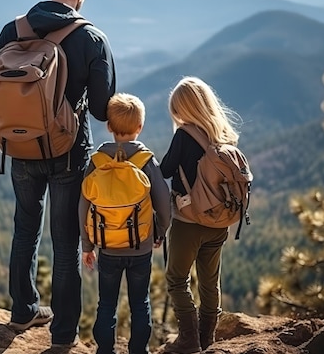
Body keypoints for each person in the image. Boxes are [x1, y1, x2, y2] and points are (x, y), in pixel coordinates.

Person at [0, 0, 116, 347]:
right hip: (68, 152)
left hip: (20, 147)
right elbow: (102, 109)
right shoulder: (91, 39)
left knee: (25, 229)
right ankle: (63, 335)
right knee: (65, 243)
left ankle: (22, 312)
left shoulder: (13, 31)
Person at [79, 93, 171, 354]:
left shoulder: (97, 161)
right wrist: (160, 232)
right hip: (140, 246)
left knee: (106, 303)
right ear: (139, 127)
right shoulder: (145, 161)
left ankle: (105, 350)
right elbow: (163, 204)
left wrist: (87, 245)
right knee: (140, 303)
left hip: (107, 247)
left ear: (109, 126)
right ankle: (138, 351)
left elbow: (83, 206)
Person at [159, 76, 241, 353]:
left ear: (184, 109)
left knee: (177, 279)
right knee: (210, 282)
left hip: (189, 222)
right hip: (220, 222)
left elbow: (166, 170)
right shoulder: (224, 135)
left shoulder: (183, 135)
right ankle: (208, 339)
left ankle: (189, 339)